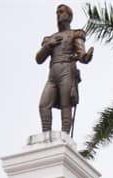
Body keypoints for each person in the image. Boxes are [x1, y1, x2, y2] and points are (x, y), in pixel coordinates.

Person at [36, 4, 93, 134]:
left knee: (65, 104)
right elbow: (39, 59)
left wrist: (86, 57)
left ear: (69, 16)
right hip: (53, 72)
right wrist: (48, 46)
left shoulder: (75, 34)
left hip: (66, 68)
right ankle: (46, 135)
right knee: (43, 105)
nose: (58, 15)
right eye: (57, 13)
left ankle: (65, 135)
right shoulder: (49, 38)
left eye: (61, 12)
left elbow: (81, 55)